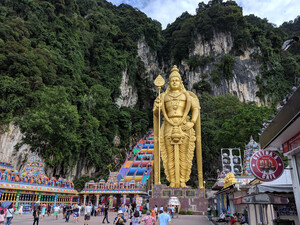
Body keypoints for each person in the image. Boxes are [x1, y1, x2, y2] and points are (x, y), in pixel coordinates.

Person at [153, 65, 201, 188]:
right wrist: (158, 106)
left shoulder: (187, 96)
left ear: (181, 82)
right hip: (168, 126)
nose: (175, 82)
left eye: (177, 80)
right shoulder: (163, 96)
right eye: (172, 80)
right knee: (169, 156)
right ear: (168, 83)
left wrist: (192, 122)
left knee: (184, 155)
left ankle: (183, 181)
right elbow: (156, 113)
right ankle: (172, 181)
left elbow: (195, 109)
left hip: (183, 125)